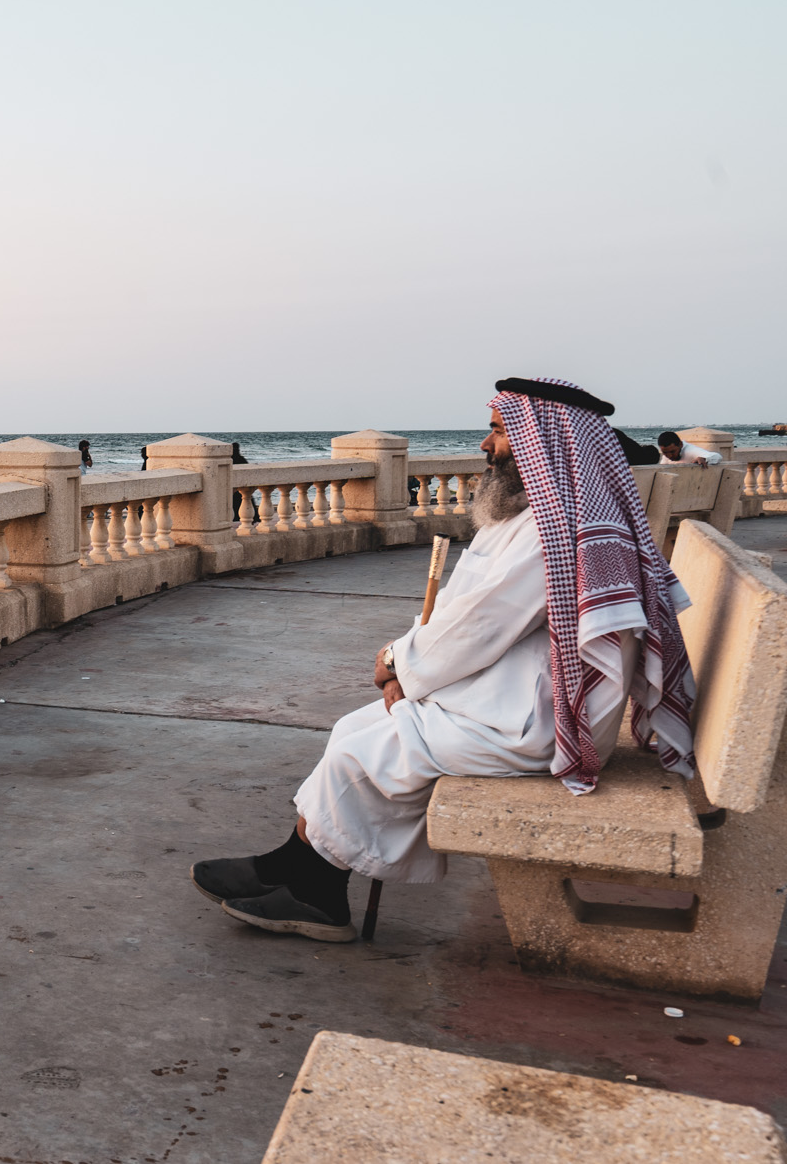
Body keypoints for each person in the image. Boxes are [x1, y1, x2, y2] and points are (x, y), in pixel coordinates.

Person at [192, 377, 696, 943]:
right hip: (511, 696)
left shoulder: (552, 530)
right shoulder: (531, 516)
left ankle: (318, 896)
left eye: (501, 431)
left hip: (546, 721)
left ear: (546, 442)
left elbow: (478, 627)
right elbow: (464, 619)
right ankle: (294, 868)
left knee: (368, 748)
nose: (486, 445)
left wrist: (396, 663)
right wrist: (409, 666)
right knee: (356, 729)